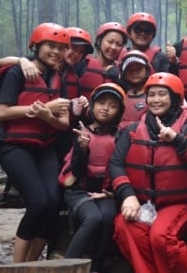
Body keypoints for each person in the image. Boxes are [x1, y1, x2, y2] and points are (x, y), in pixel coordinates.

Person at [109, 72, 187, 273]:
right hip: (142, 202)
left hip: (179, 203)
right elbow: (115, 163)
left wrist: (177, 139)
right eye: (152, 95)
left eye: (162, 94)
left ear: (174, 98)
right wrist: (128, 196)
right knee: (125, 226)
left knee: (160, 236)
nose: (156, 100)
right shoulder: (131, 131)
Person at [0, 23, 70, 262]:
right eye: (50, 46)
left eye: (60, 48)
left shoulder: (58, 79)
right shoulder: (17, 72)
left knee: (53, 203)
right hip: (14, 146)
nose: (56, 52)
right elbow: (3, 113)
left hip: (43, 147)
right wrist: (44, 110)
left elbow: (64, 123)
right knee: (38, 201)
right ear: (36, 46)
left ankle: (31, 263)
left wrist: (49, 117)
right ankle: (17, 266)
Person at [58, 83, 125, 272]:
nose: (106, 108)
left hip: (104, 192)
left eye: (112, 106)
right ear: (93, 106)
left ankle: (96, 265)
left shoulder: (120, 137)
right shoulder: (80, 132)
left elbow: (121, 168)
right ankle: (66, 266)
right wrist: (82, 149)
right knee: (93, 218)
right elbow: (77, 171)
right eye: (102, 103)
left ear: (118, 112)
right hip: (79, 190)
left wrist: (111, 194)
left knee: (107, 216)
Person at [77, 22, 128, 98]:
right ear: (99, 41)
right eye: (110, 42)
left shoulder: (122, 71)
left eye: (119, 44)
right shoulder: (82, 64)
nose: (114, 47)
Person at [117, 50, 151, 129]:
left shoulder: (154, 97)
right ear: (124, 74)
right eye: (130, 69)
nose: (135, 72)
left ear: (147, 71)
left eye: (139, 69)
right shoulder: (118, 97)